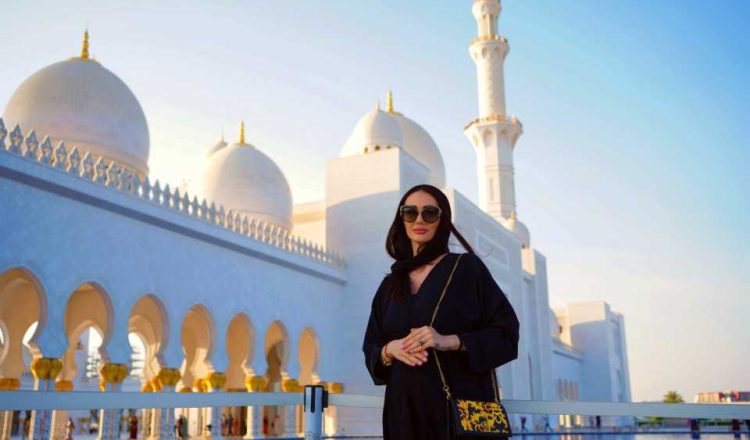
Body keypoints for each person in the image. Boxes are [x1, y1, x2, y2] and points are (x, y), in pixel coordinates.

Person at [362, 184, 520, 440]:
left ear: (442, 219)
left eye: (430, 213)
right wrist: (391, 349)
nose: (419, 220)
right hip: (404, 416)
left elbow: (507, 335)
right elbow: (371, 346)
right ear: (401, 219)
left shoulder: (467, 269)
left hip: (455, 416)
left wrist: (449, 341)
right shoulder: (391, 284)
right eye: (410, 212)